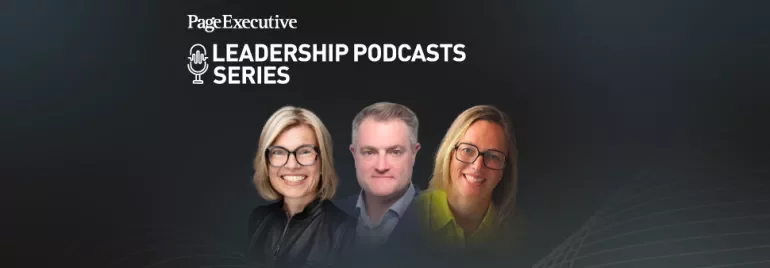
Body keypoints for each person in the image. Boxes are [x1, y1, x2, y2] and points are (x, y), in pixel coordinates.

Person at [245, 106, 356, 268]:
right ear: (266, 163)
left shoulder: (347, 232)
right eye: (278, 152)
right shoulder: (259, 219)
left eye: (304, 152)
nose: (292, 165)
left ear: (322, 161)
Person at [416, 105, 519, 253]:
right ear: (449, 154)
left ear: (504, 170)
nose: (477, 166)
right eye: (467, 150)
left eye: (493, 156)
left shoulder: (516, 238)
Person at [334, 102, 423, 256]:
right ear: (354, 154)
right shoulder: (329, 218)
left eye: (395, 152)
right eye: (369, 152)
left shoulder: (444, 223)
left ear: (414, 154)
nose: (381, 166)